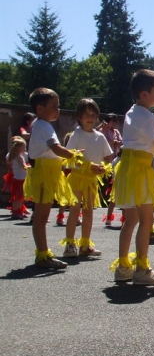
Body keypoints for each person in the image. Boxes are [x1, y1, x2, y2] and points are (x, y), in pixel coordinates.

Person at [109, 69, 154, 285]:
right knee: (146, 221)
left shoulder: (131, 112)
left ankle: (123, 267)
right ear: (144, 94)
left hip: (127, 169)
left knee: (130, 221)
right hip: (142, 171)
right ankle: (142, 269)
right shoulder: (149, 117)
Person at [23, 88, 78, 269]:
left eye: (58, 106)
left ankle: (43, 253)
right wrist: (73, 155)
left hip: (49, 171)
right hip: (44, 173)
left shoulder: (44, 126)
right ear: (40, 108)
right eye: (54, 106)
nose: (58, 109)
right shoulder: (42, 126)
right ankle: (43, 254)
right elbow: (55, 148)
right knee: (41, 215)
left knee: (42, 214)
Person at [62, 98, 113, 258]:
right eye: (86, 115)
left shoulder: (100, 136)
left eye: (93, 114)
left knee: (89, 211)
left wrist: (103, 167)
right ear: (79, 117)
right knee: (75, 211)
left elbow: (108, 157)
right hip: (78, 177)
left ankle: (85, 244)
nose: (90, 118)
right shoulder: (76, 134)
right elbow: (70, 157)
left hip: (92, 179)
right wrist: (88, 165)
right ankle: (70, 244)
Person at [98, 113, 123, 226]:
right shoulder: (102, 130)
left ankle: (107, 200)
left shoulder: (116, 132)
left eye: (114, 121)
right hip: (105, 159)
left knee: (110, 184)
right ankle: (102, 199)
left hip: (115, 157)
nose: (113, 123)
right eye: (112, 121)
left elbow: (121, 142)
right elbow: (99, 139)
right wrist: (103, 127)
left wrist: (116, 143)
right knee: (104, 182)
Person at [4, 136, 30, 219]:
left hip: (16, 178)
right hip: (20, 179)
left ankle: (17, 211)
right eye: (24, 147)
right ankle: (17, 212)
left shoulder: (12, 156)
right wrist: (31, 167)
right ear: (19, 148)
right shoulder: (19, 157)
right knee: (19, 197)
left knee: (16, 197)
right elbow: (24, 167)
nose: (25, 149)